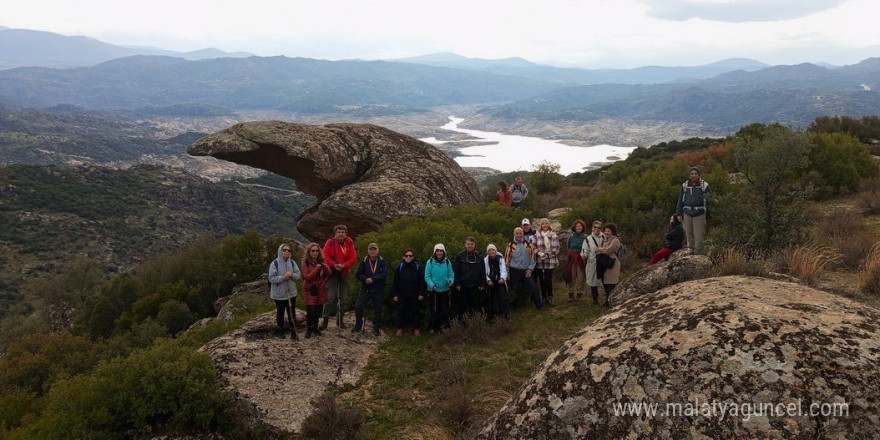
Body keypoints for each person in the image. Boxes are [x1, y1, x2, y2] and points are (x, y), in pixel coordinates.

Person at [321, 225, 357, 330]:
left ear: (345, 233)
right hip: (332, 272)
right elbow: (325, 256)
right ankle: (325, 320)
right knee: (329, 297)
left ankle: (340, 320)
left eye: (342, 232)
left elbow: (353, 258)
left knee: (344, 298)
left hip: (344, 272)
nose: (341, 234)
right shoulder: (330, 242)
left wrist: (344, 265)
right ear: (335, 233)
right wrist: (334, 264)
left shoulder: (349, 243)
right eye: (339, 232)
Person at [353, 242, 389, 336]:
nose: (372, 251)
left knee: (378, 309)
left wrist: (373, 279)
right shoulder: (364, 260)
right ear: (368, 251)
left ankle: (376, 327)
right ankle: (358, 325)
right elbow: (358, 274)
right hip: (365, 288)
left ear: (378, 250)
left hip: (378, 289)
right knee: (358, 306)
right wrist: (365, 279)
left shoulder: (382, 261)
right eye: (371, 249)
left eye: (374, 249)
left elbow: (384, 274)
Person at [268, 243, 302, 339]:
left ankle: (293, 331)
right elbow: (271, 278)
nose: (287, 251)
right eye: (284, 250)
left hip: (291, 293)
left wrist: (291, 275)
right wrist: (283, 277)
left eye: (288, 250)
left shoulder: (292, 263)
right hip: (279, 294)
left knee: (292, 311)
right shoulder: (274, 263)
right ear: (280, 251)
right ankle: (280, 330)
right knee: (280, 312)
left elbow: (298, 275)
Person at [676, 165, 711, 254]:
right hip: (687, 213)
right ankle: (690, 251)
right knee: (689, 234)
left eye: (695, 173)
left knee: (699, 236)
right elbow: (680, 200)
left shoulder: (704, 185)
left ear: (698, 175)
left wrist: (710, 198)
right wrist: (679, 214)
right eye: (692, 173)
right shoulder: (685, 185)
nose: (693, 175)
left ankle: (699, 253)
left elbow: (710, 197)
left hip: (699, 213)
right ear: (689, 175)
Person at [505, 227, 543, 310]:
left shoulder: (528, 244)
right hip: (514, 270)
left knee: (533, 287)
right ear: (514, 234)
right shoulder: (510, 245)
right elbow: (507, 260)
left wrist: (530, 269)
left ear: (522, 234)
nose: (519, 235)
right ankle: (514, 306)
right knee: (515, 289)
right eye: (517, 233)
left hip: (526, 270)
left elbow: (533, 258)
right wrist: (507, 273)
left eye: (520, 233)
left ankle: (539, 305)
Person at [391, 249, 426, 336]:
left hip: (414, 294)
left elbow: (422, 281)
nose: (408, 257)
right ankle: (400, 329)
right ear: (403, 257)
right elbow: (395, 281)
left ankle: (416, 329)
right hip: (402, 294)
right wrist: (395, 294)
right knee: (401, 312)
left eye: (410, 256)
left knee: (415, 312)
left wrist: (421, 293)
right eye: (406, 255)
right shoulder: (400, 267)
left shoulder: (418, 267)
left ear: (413, 257)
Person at [301, 242, 332, 339]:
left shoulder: (321, 261)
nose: (315, 253)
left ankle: (315, 327)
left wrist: (325, 266)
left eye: (317, 251)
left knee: (318, 309)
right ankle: (309, 329)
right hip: (310, 289)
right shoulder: (305, 263)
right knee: (311, 310)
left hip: (320, 288)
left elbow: (328, 274)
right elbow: (307, 277)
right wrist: (317, 268)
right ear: (309, 252)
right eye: (313, 251)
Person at [453, 236, 486, 319]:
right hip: (463, 286)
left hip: (476, 286)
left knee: (475, 307)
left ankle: (475, 324)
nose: (470, 246)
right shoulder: (459, 256)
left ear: (474, 245)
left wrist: (483, 283)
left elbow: (483, 271)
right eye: (468, 244)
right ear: (465, 245)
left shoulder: (479, 256)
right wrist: (456, 283)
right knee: (462, 307)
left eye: (472, 244)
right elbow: (455, 271)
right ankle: (461, 325)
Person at [425, 243, 455, 334]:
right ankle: (432, 327)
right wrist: (432, 285)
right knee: (434, 309)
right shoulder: (430, 262)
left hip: (445, 290)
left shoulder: (447, 261)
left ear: (443, 252)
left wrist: (451, 281)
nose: (439, 252)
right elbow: (427, 276)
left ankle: (444, 327)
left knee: (444, 309)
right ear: (434, 252)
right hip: (433, 290)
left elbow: (451, 274)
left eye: (441, 251)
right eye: (437, 251)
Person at [534, 218, 559, 306]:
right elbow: (533, 247)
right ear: (541, 225)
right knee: (541, 280)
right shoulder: (537, 235)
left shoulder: (553, 235)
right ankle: (544, 297)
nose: (545, 225)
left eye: (546, 223)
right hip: (540, 262)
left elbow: (556, 249)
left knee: (548, 280)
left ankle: (550, 297)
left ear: (549, 225)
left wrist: (547, 255)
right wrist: (539, 253)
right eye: (543, 224)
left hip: (550, 261)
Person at [596, 223, 622, 306]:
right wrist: (602, 249)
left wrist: (600, 249)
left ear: (613, 231)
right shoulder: (605, 240)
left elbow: (607, 251)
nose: (606, 232)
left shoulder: (615, 240)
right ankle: (607, 302)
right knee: (605, 283)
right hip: (605, 264)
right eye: (605, 231)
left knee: (611, 284)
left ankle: (611, 302)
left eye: (608, 231)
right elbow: (604, 250)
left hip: (613, 264)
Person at [581, 220, 605, 305]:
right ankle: (595, 300)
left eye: (599, 227)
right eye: (595, 227)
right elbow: (584, 250)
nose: (597, 229)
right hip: (593, 262)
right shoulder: (588, 239)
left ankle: (607, 299)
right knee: (593, 282)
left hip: (603, 262)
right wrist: (584, 255)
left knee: (605, 280)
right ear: (592, 228)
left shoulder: (604, 237)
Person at [484, 244, 509, 321]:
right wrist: (488, 280)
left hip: (499, 282)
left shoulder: (500, 259)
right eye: (490, 250)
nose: (491, 251)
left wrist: (502, 278)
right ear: (487, 252)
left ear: (496, 250)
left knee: (501, 299)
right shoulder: (485, 260)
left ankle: (506, 316)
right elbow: (484, 273)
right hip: (490, 283)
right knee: (491, 301)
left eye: (493, 250)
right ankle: (492, 316)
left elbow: (504, 270)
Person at [566, 219, 588, 302]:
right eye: (577, 226)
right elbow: (568, 247)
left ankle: (579, 294)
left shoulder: (585, 237)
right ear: (574, 227)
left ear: (583, 227)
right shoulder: (571, 236)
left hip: (581, 259)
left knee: (580, 277)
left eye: (580, 226)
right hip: (572, 259)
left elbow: (587, 248)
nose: (578, 227)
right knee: (571, 277)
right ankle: (571, 294)